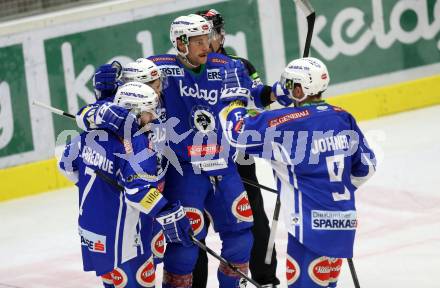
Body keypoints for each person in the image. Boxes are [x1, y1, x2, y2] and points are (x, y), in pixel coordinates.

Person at [77, 14, 255, 288]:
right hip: (184, 170)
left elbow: (258, 95)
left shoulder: (228, 66)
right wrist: (103, 99)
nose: (205, 46)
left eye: (206, 39)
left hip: (223, 164)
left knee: (242, 236)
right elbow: (126, 98)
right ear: (180, 42)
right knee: (184, 243)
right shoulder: (158, 66)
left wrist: (280, 96)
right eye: (197, 41)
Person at [219, 57, 376, 287]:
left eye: (290, 85)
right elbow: (366, 168)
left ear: (301, 89)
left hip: (309, 229)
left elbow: (237, 133)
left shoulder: (285, 123)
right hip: (342, 223)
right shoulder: (343, 117)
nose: (286, 89)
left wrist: (234, 99)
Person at [60, 82, 193, 287]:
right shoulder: (138, 143)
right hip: (124, 238)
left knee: (112, 282)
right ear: (134, 112)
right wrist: (166, 211)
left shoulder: (87, 134)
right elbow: (136, 192)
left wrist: (101, 192)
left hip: (91, 229)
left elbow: (65, 165)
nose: (154, 117)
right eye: (149, 111)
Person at [194, 9, 280, 287]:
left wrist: (274, 94)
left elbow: (257, 102)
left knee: (253, 219)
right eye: (203, 35)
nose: (209, 40)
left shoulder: (238, 65)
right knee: (195, 229)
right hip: (197, 161)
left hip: (236, 159)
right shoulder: (183, 67)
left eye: (214, 33)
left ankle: (265, 279)